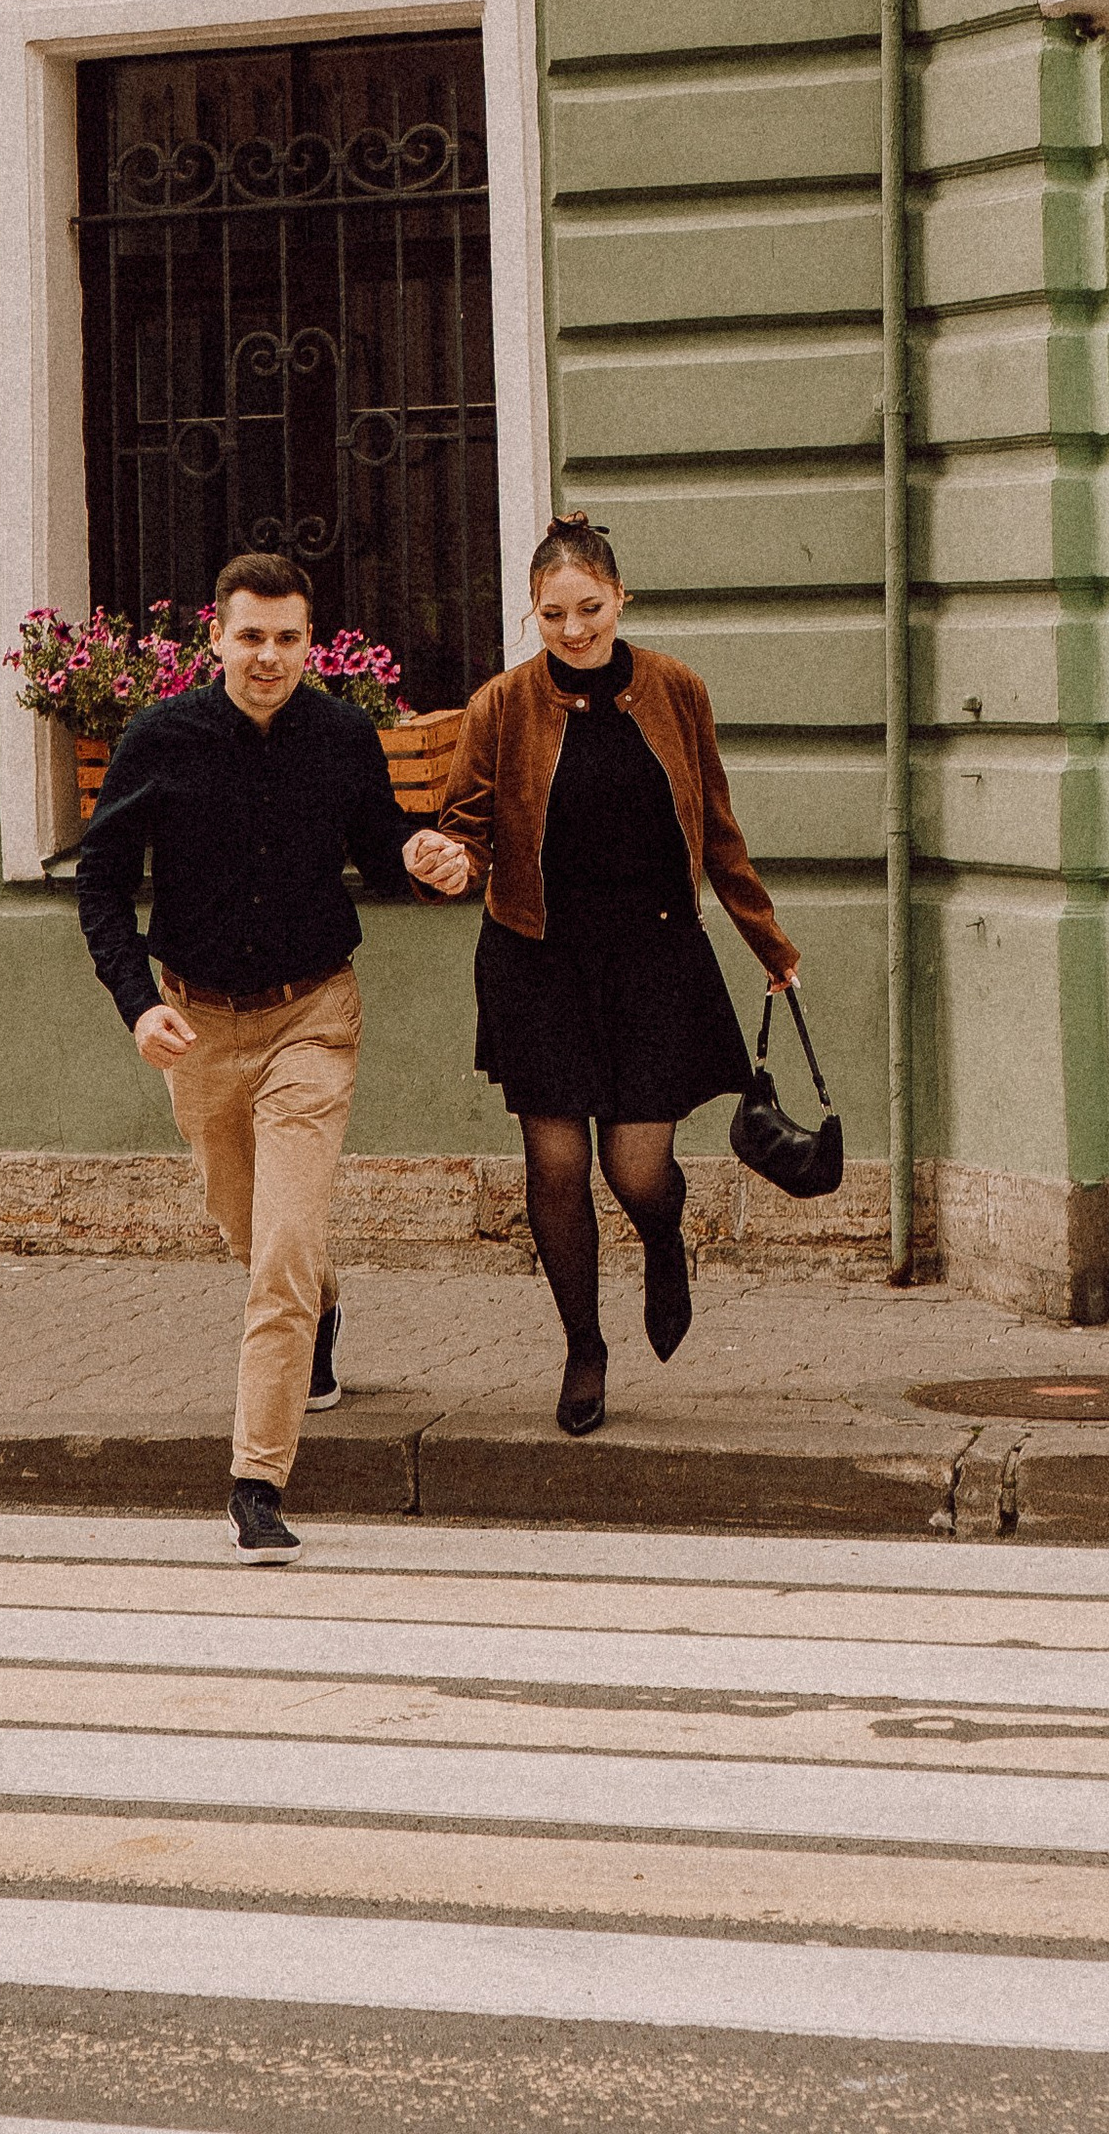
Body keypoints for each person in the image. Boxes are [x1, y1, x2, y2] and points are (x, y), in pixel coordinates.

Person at [76, 549, 461, 1563]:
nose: (269, 657)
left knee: (284, 1246)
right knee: (251, 1235)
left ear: (308, 641)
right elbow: (102, 885)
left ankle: (257, 1480)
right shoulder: (159, 739)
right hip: (196, 1023)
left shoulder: (339, 735)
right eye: (250, 636)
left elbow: (381, 847)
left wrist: (422, 855)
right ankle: (322, 1308)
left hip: (311, 1018)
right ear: (215, 639)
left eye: (289, 638)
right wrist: (134, 1008)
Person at [405, 513, 800, 1434]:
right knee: (555, 1161)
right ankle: (584, 1347)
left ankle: (664, 1236)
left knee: (637, 1167)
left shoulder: (676, 691)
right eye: (553, 615)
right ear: (532, 616)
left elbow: (719, 830)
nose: (574, 630)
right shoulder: (500, 706)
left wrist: (768, 942)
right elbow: (461, 826)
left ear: (621, 599)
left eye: (589, 609)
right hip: (535, 956)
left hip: (654, 956)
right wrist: (444, 862)